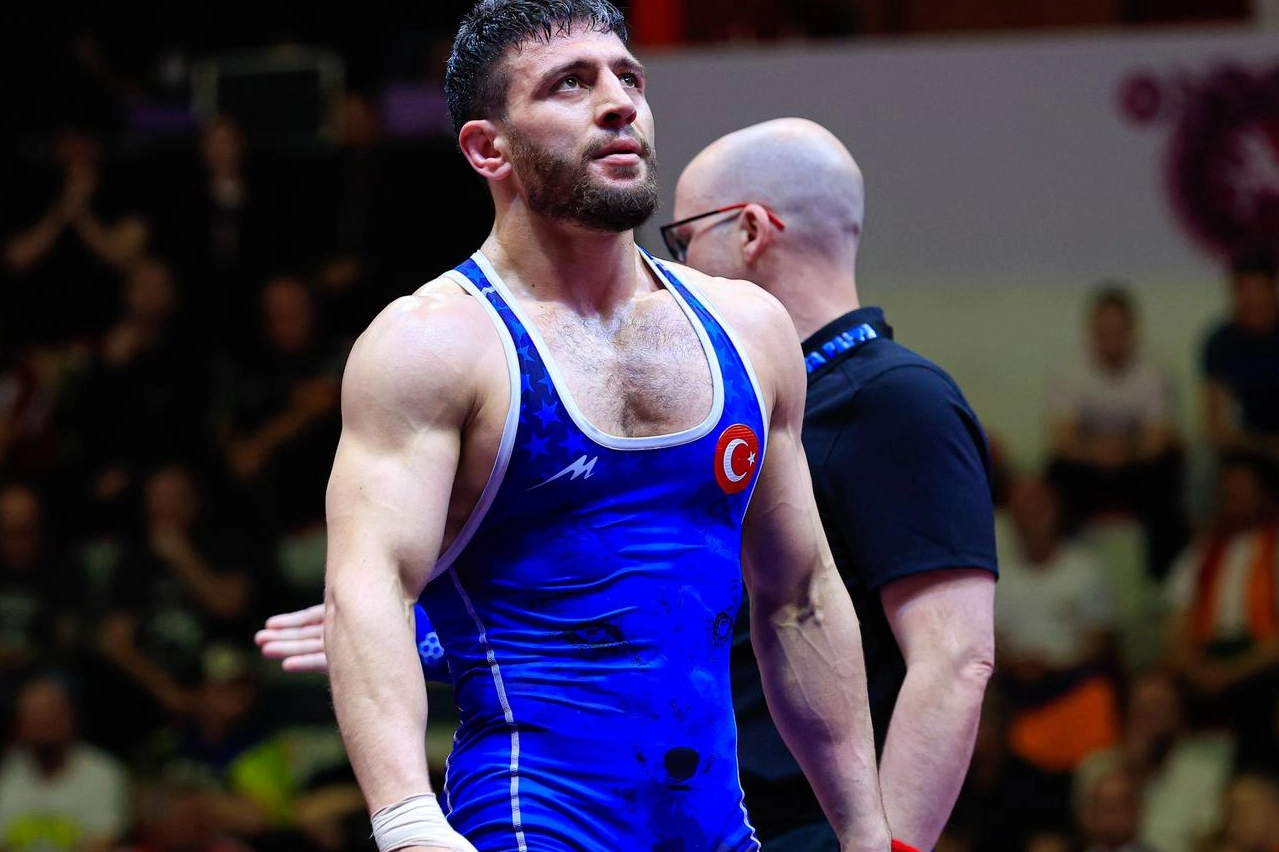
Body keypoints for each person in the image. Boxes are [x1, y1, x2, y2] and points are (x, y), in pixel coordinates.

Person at [262, 111, 995, 851]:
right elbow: (651, 614)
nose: (670, 260)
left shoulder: (896, 400)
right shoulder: (723, 385)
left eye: (683, 237)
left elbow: (952, 657)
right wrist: (405, 635)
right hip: (703, 808)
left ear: (749, 230)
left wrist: (887, 844)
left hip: (798, 819)